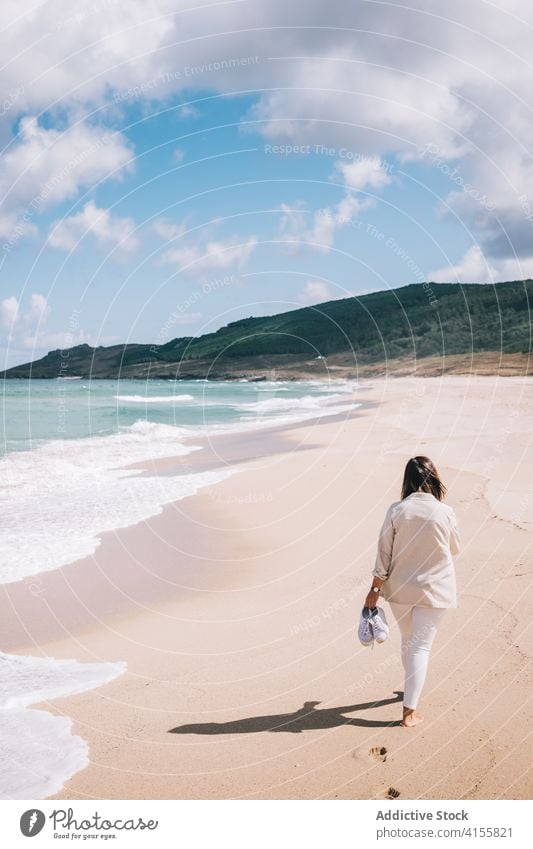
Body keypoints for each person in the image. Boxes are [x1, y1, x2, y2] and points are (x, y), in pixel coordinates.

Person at [364, 456, 460, 727]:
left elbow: (384, 552)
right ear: (434, 478)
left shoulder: (396, 510)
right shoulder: (445, 512)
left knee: (409, 641)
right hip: (435, 588)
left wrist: (374, 588)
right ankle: (409, 712)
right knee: (420, 646)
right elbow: (455, 548)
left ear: (407, 480)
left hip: (401, 588)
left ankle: (411, 686)